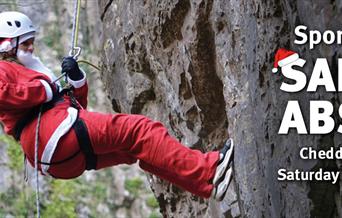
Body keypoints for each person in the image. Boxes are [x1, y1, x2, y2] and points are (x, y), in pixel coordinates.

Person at [0, 11, 234, 201]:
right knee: (141, 131)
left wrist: (76, 80)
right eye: (27, 42)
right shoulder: (5, 69)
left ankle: (207, 186)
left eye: (32, 42)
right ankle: (208, 171)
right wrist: (46, 89)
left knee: (135, 149)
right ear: (8, 44)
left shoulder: (28, 71)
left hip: (58, 157)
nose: (31, 48)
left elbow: (77, 112)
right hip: (54, 136)